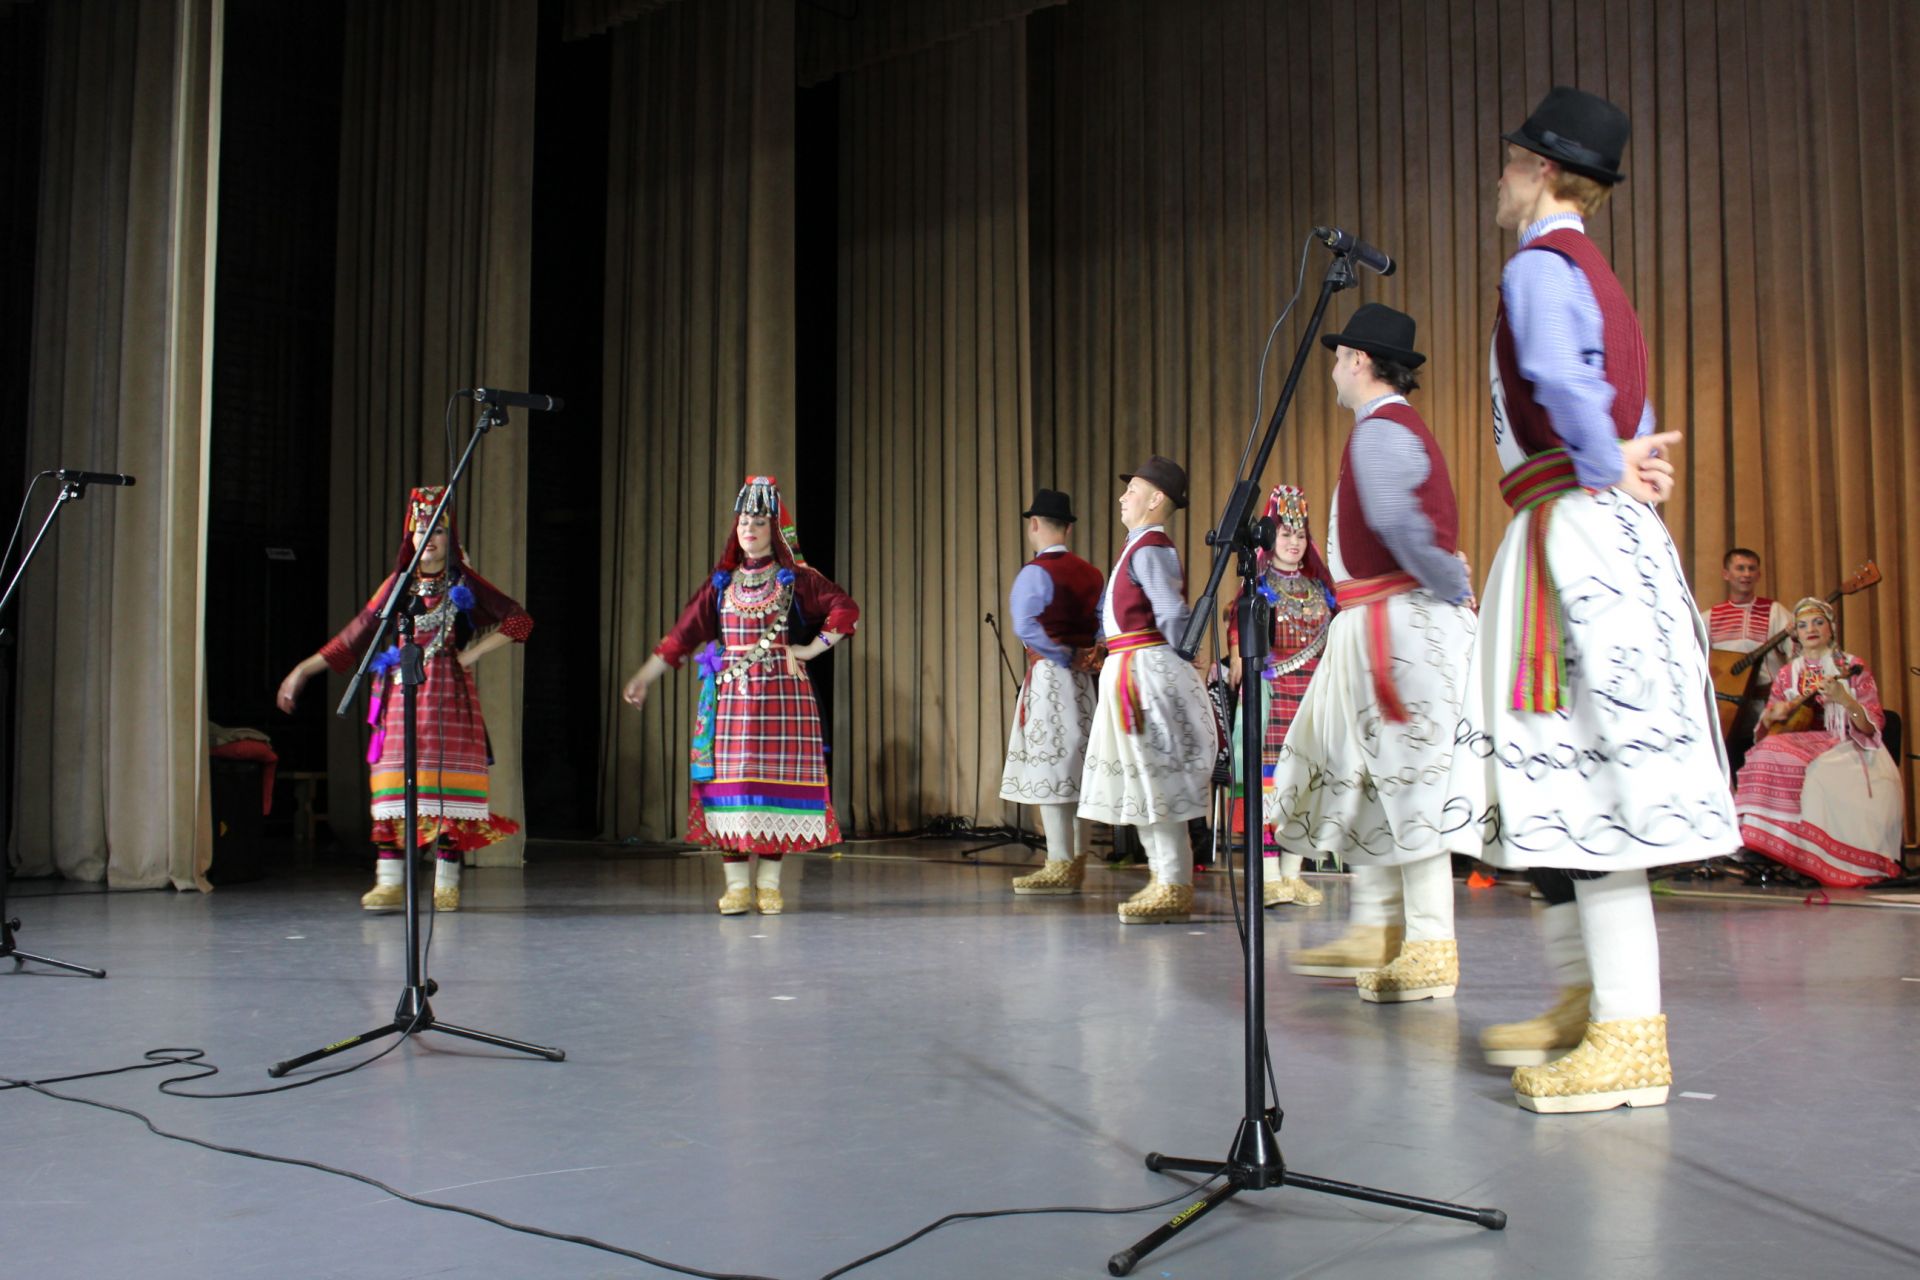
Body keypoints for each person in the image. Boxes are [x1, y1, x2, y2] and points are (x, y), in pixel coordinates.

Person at [1459, 87, 1736, 1112]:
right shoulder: (1599, 275)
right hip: (1599, 526)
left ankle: (1628, 1034)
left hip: (1571, 534)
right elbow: (1625, 400)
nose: (1499, 176)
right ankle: (1589, 1003)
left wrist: (1599, 454)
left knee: (1587, 783)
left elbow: (1560, 376)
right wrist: (1632, 457)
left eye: (1508, 161)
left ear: (1536, 169)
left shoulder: (1538, 266)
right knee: (1569, 777)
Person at [1268, 304, 1479, 1001]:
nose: (1332, 369)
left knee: (1409, 777)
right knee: (1368, 774)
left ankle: (1428, 943)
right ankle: (1383, 923)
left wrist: (1452, 584)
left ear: (1359, 360)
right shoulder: (1379, 431)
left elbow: (1397, 523)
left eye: (1338, 358)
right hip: (1381, 620)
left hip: (1401, 624)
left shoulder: (1382, 432)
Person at [276, 486, 532, 912]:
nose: (427, 539)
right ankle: (390, 880)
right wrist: (302, 670)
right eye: (419, 530)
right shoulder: (396, 587)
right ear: (409, 538)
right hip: (401, 696)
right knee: (395, 785)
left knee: (446, 790)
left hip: (449, 698)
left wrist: (471, 653)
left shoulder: (464, 582)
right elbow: (353, 636)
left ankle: (446, 882)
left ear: (450, 538)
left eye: (436, 530)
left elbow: (520, 621)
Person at [622, 476, 858, 915]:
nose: (749, 529)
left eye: (759, 522)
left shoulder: (797, 580)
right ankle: (735, 886)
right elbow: (682, 635)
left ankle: (768, 883)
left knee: (773, 787)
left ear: (774, 530)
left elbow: (845, 610)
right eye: (744, 521)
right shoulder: (720, 584)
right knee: (731, 787)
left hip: (782, 698)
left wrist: (808, 648)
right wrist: (645, 677)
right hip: (730, 698)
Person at [1076, 456, 1218, 924]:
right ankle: (1163, 876)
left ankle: (1174, 879)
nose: (1123, 497)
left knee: (1154, 773)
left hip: (1145, 673)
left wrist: (1187, 658)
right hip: (1130, 667)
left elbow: (1171, 613)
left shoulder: (1151, 548)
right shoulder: (1136, 547)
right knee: (1141, 777)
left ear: (1156, 499)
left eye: (1132, 489)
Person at [1733, 598, 1902, 885]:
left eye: (1818, 622)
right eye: (1802, 625)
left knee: (1804, 765)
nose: (1810, 629)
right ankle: (1767, 845)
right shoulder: (1788, 674)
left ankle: (1819, 857)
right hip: (1797, 742)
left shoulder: (1852, 665)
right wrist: (1775, 713)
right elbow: (1769, 726)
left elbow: (1872, 727)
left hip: (1848, 744)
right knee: (1763, 752)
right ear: (1795, 634)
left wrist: (1845, 699)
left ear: (1831, 629)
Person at [1224, 484, 1335, 908]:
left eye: (1300, 534)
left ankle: (1294, 875)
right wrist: (1236, 653)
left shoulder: (1320, 589)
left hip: (1313, 700)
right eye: (1286, 533)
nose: (1293, 542)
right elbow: (1238, 625)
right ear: (1271, 539)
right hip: (1274, 697)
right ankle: (1270, 877)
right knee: (1271, 790)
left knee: (1306, 789)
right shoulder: (1258, 585)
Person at [1000, 489, 1105, 895]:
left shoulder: (1034, 573)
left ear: (1035, 525)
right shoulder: (1092, 573)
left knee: (1050, 763)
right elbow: (1102, 623)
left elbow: (1026, 627)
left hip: (1050, 676)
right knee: (1078, 764)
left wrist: (1061, 653)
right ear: (1069, 527)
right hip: (1084, 680)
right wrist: (1090, 653)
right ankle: (1075, 858)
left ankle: (1059, 861)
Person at [1704, 548, 1793, 683]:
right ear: (1726, 574)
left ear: (1758, 575)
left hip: (1768, 699)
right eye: (1740, 568)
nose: (1747, 574)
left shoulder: (1774, 611)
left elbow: (1797, 653)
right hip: (1725, 701)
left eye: (1751, 569)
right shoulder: (1709, 617)